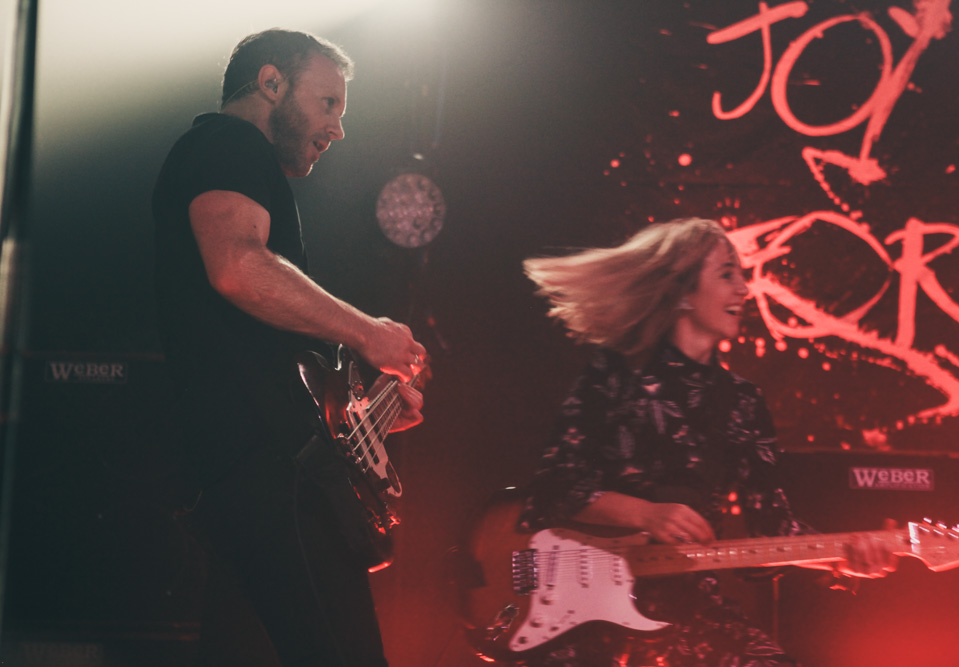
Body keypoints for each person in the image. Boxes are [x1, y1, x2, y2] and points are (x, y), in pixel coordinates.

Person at [152, 29, 425, 667]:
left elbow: (278, 358)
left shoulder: (231, 156)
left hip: (245, 471)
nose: (338, 128)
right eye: (328, 103)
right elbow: (238, 269)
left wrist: (368, 412)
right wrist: (369, 332)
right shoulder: (229, 142)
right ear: (270, 83)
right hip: (273, 475)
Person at [517, 218, 895, 667]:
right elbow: (552, 489)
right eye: (727, 274)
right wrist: (646, 515)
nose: (745, 290)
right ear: (682, 293)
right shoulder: (613, 375)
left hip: (690, 608)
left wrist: (841, 557)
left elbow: (772, 530)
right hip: (586, 615)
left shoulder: (742, 403)